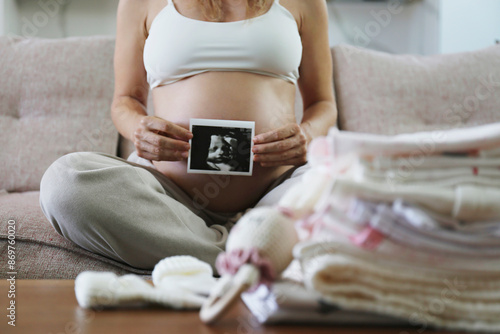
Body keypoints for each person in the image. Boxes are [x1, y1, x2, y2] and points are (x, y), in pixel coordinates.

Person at [39, 0, 337, 271]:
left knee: (348, 184)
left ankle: (203, 255)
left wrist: (307, 137)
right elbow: (125, 100)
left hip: (277, 191)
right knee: (65, 184)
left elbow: (323, 104)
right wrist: (138, 129)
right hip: (169, 197)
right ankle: (242, 256)